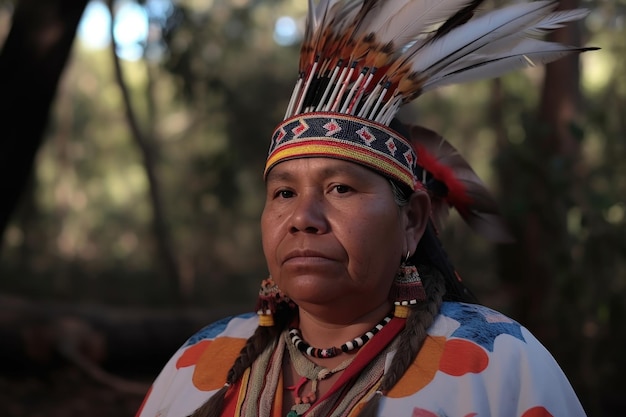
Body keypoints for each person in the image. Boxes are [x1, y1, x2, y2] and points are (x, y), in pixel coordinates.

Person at [136, 1, 595, 416]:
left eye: (340, 189)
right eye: (283, 193)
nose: (302, 218)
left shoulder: (500, 362)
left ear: (411, 220)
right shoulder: (199, 361)